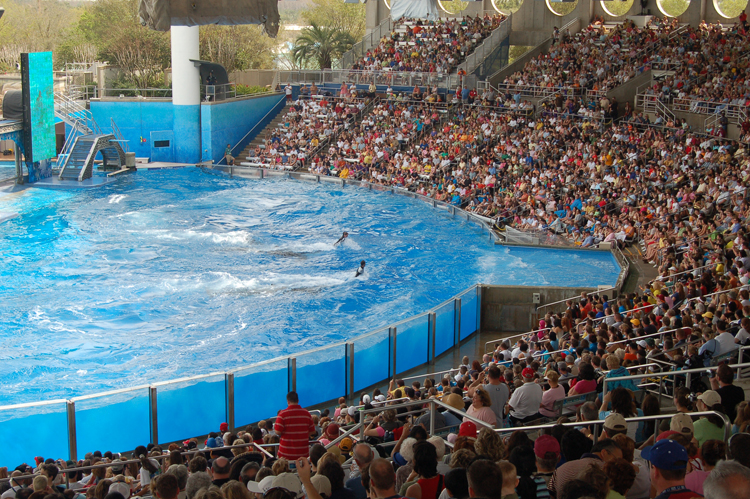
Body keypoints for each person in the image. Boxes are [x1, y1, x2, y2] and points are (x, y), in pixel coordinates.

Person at [273, 391, 315, 460]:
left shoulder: (282, 414)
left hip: (285, 455)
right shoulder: (306, 414)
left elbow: (277, 432)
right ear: (298, 401)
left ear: (288, 401)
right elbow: (312, 431)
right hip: (303, 455)